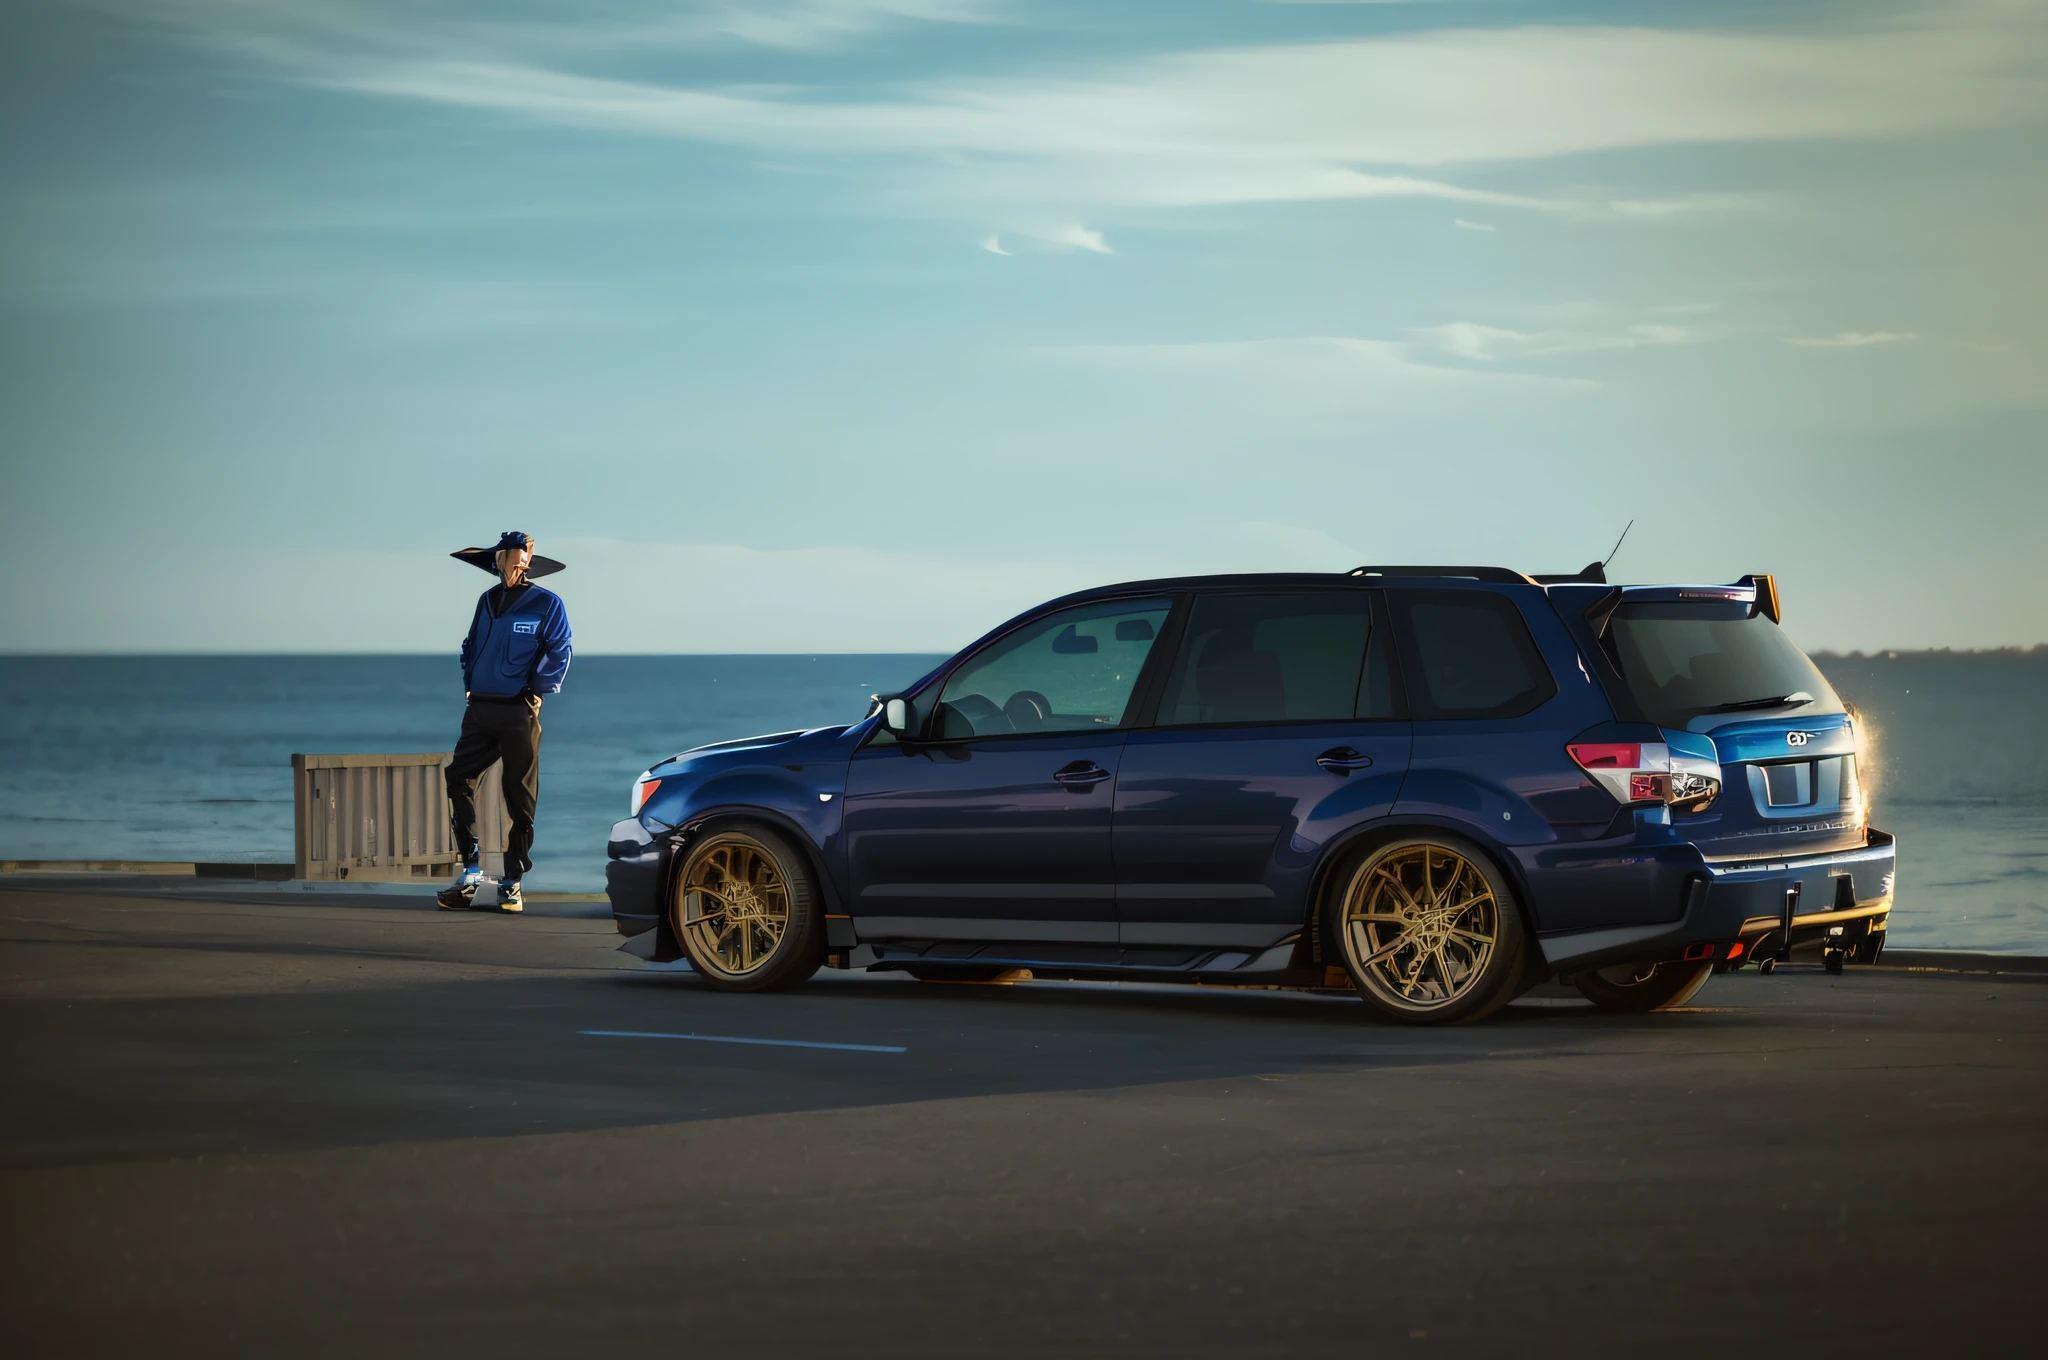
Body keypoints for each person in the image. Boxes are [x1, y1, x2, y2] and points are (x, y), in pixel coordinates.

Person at [437, 531, 572, 913]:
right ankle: (471, 873)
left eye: (517, 558)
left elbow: (560, 648)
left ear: (526, 562)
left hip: (518, 712)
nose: (510, 564)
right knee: (457, 777)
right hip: (479, 709)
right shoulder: (487, 601)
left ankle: (512, 883)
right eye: (504, 558)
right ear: (495, 562)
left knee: (520, 797)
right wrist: (469, 683)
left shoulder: (547, 604)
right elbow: (471, 645)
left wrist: (537, 689)